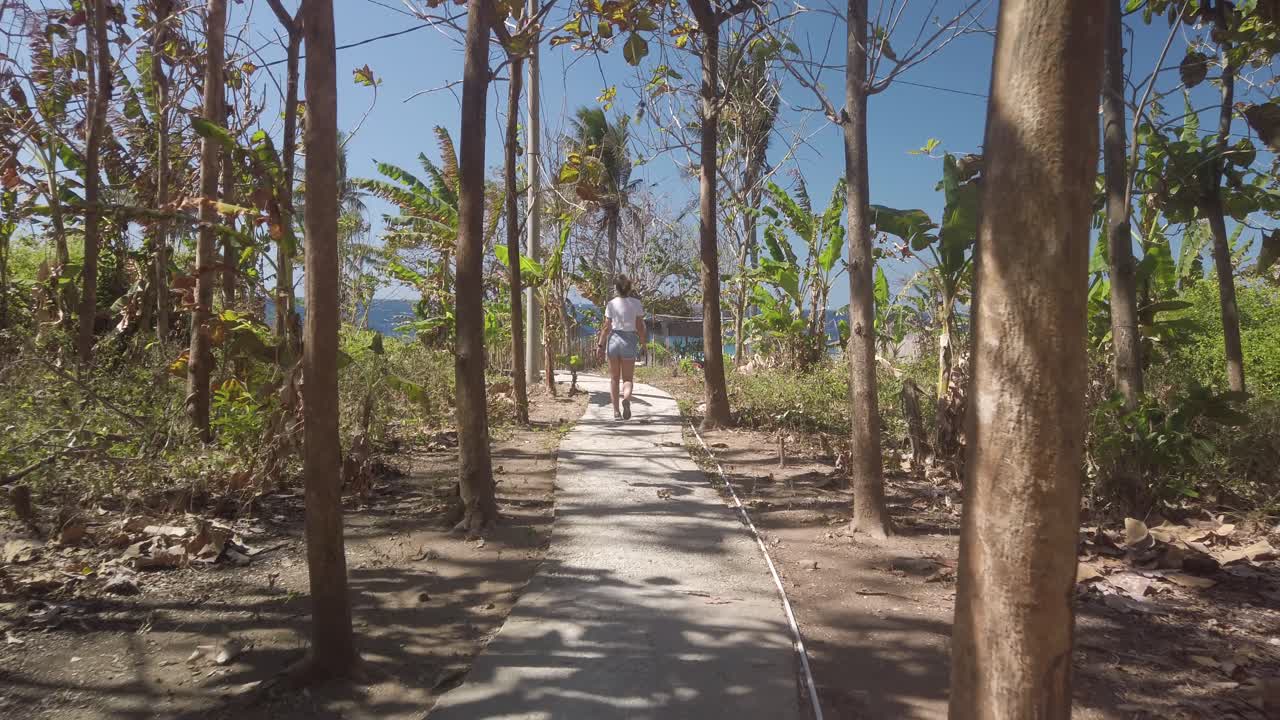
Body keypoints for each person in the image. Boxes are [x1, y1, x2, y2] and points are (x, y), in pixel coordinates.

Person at [597, 275, 646, 420]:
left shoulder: (611, 304)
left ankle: (616, 412)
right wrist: (643, 344)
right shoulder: (636, 304)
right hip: (629, 340)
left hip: (613, 340)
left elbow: (606, 327)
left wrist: (600, 345)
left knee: (614, 378)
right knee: (628, 379)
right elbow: (639, 327)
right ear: (629, 288)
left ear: (616, 288)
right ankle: (626, 398)